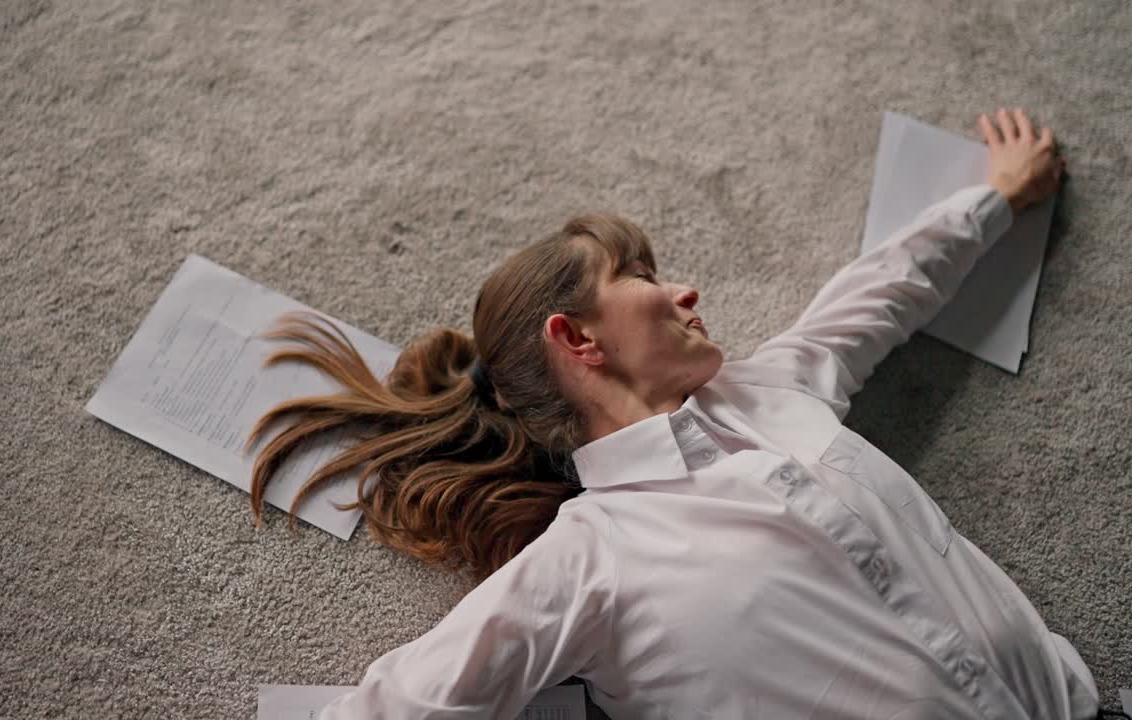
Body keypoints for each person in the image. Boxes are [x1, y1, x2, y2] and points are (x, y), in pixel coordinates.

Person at [247, 108, 1097, 719]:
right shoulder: (586, 562)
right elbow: (397, 706)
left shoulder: (770, 390)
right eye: (641, 275)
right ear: (576, 339)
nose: (685, 290)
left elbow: (881, 290)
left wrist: (995, 198)